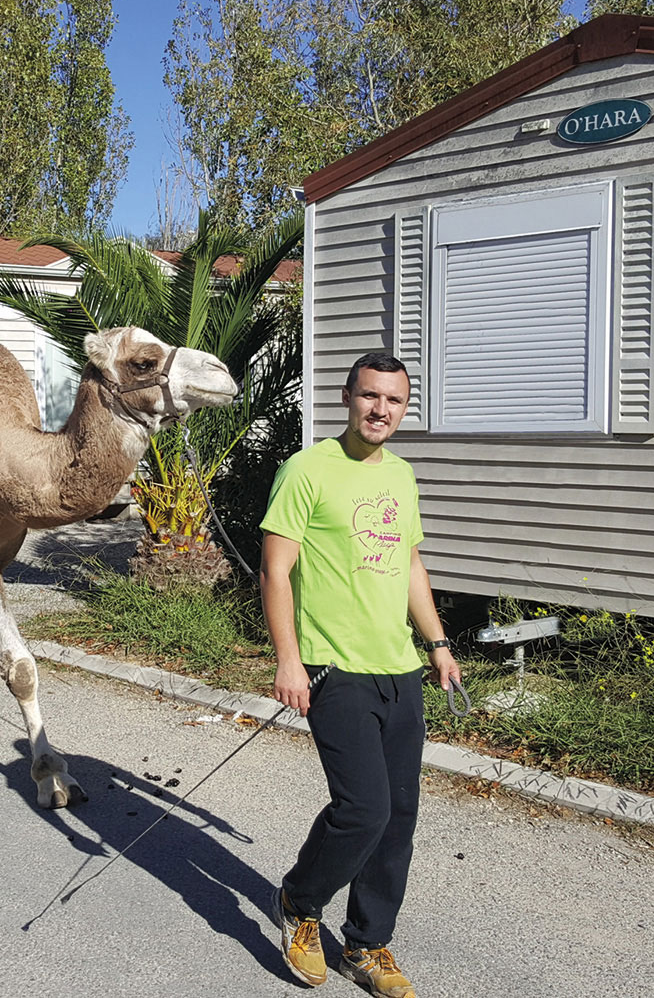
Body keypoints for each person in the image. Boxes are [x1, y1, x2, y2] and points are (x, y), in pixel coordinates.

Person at [259, 353, 461, 995]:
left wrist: (436, 642)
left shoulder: (401, 476)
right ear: (347, 397)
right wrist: (289, 659)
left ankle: (369, 943)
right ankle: (300, 899)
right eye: (370, 396)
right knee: (363, 809)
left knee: (398, 817)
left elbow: (409, 567)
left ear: (405, 408)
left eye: (394, 401)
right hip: (332, 669)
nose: (381, 410)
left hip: (398, 669)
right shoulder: (307, 471)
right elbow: (275, 572)